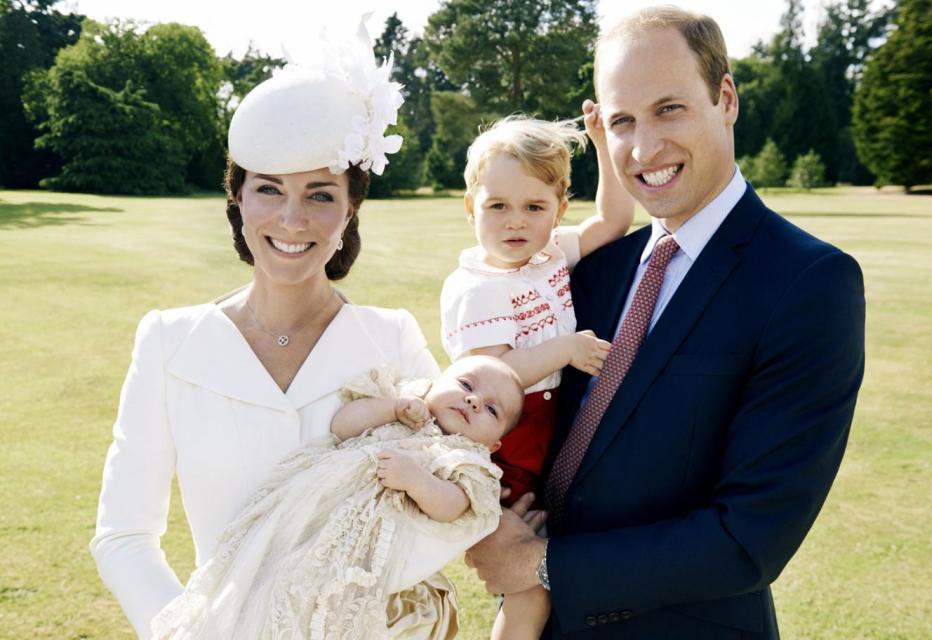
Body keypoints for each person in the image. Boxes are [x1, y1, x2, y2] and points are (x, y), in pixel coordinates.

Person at [465, 7, 866, 639]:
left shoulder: (809, 283)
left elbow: (749, 537)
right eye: (622, 120)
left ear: (725, 98)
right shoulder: (594, 268)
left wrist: (539, 564)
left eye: (669, 109)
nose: (645, 147)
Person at [89, 22, 463, 639]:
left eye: (320, 194)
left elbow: (446, 500)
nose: (292, 219)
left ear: (350, 209)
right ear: (237, 199)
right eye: (268, 190)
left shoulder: (392, 340)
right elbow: (124, 534)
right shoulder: (168, 342)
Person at [150, 356, 524, 640]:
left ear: (493, 445)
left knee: (323, 602)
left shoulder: (468, 459)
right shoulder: (405, 403)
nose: (474, 401)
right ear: (436, 380)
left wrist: (416, 480)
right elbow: (343, 425)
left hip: (357, 544)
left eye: (492, 409)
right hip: (310, 509)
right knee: (264, 575)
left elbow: (454, 505)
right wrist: (392, 407)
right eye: (465, 384)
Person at [440, 116, 634, 639]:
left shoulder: (548, 256)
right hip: (503, 442)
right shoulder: (477, 287)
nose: (515, 222)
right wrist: (566, 349)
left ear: (558, 211)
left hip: (543, 433)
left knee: (549, 572)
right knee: (529, 583)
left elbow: (613, 221)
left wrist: (602, 145)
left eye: (534, 207)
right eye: (497, 205)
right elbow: (492, 380)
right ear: (470, 208)